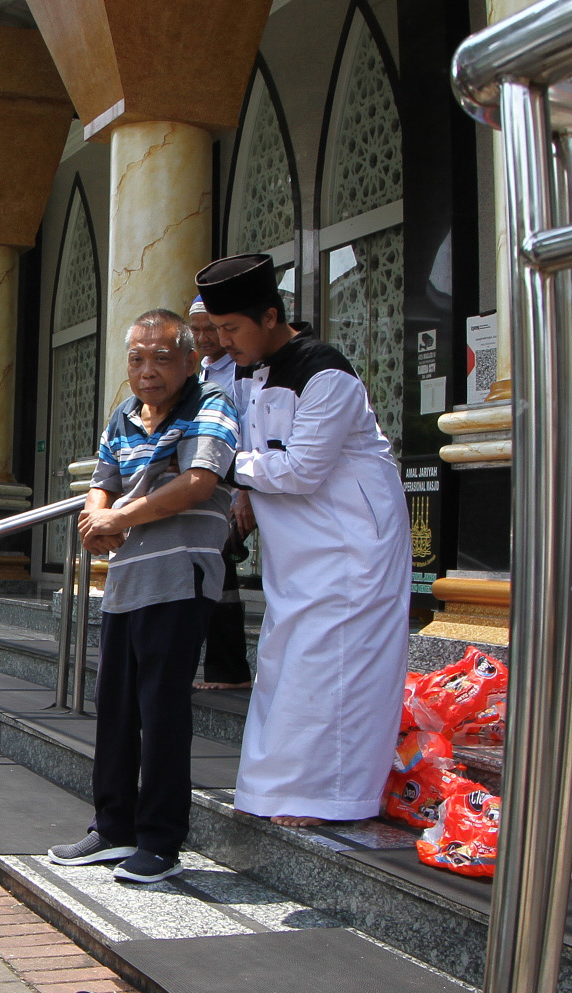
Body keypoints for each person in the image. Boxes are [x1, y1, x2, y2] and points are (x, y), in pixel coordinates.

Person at [194, 253, 409, 828]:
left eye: (232, 330)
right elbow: (258, 450)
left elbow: (302, 468)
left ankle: (330, 797)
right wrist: (242, 490)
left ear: (270, 317)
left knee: (335, 665)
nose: (225, 344)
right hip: (299, 552)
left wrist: (223, 469)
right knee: (286, 660)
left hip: (352, 546)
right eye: (218, 332)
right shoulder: (247, 371)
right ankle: (276, 790)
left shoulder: (326, 373)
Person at [46, 309, 239, 884]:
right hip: (126, 582)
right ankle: (113, 828)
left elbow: (199, 481)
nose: (147, 370)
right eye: (136, 357)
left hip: (181, 580)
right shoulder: (124, 416)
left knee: (162, 714)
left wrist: (123, 513)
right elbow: (100, 486)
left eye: (161, 356)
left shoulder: (212, 404)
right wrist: (97, 518)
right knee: (117, 708)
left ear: (188, 359)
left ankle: (160, 842)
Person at [189, 297, 254, 692]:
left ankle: (229, 670)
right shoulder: (201, 370)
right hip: (211, 487)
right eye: (195, 330)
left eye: (209, 328)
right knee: (215, 572)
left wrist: (243, 491)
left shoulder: (243, 371)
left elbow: (251, 431)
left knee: (219, 572)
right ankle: (226, 669)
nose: (202, 337)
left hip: (240, 486)